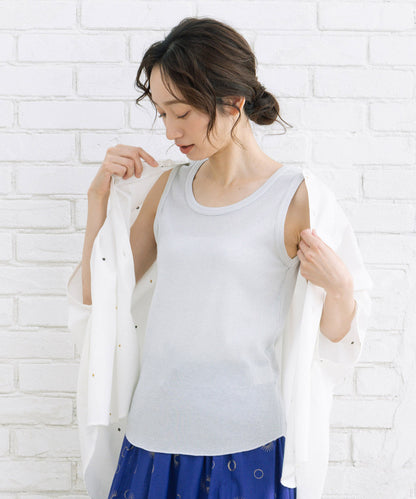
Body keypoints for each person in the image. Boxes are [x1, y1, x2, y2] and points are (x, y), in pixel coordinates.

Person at [69, 16, 372, 499]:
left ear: (233, 102)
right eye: (162, 114)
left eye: (182, 112)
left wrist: (340, 288)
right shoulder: (169, 188)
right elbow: (97, 295)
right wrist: (98, 200)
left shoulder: (296, 197)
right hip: (152, 439)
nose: (171, 131)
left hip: (249, 447)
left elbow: (335, 341)